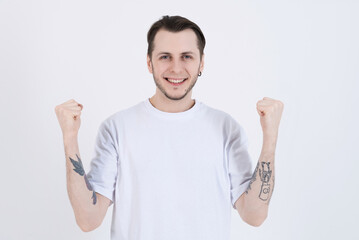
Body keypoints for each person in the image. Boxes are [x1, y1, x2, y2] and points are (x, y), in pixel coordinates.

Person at [55, 15, 284, 240]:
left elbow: (254, 215)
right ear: (149, 62)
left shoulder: (226, 129)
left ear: (201, 62)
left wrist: (270, 136)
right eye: (165, 57)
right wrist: (70, 138)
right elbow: (88, 219)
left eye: (186, 56)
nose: (176, 68)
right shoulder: (117, 128)